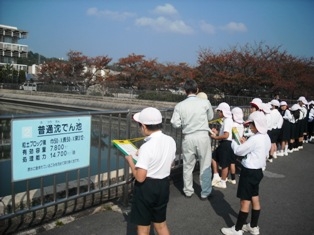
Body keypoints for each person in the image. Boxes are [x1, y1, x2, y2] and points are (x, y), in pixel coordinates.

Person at [124, 107, 176, 235]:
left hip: (147, 188)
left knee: (143, 227)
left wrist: (130, 161)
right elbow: (169, 165)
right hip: (163, 185)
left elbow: (140, 177)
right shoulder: (170, 140)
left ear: (143, 126)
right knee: (161, 225)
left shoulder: (147, 146)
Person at [221, 111, 271, 235]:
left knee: (244, 201)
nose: (249, 127)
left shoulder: (254, 139)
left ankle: (237, 229)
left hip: (249, 171)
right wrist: (246, 144)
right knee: (255, 198)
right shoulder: (266, 136)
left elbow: (238, 151)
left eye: (250, 125)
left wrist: (232, 141)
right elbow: (258, 151)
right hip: (258, 171)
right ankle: (253, 226)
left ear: (256, 125)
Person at [171, 79, 214, 200]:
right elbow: (210, 117)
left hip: (188, 137)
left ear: (185, 91)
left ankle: (188, 190)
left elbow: (175, 123)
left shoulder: (180, 105)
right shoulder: (205, 103)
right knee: (205, 164)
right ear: (197, 90)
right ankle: (205, 192)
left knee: (188, 165)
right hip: (202, 136)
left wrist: (184, 124)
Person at [211, 102, 233, 189]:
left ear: (222, 112)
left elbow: (226, 135)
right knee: (214, 157)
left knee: (224, 164)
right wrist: (217, 133)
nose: (218, 113)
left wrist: (216, 137)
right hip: (225, 143)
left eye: (219, 111)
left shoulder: (227, 120)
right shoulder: (227, 119)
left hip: (226, 143)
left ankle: (223, 181)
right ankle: (216, 176)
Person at [228, 107, 245, 184]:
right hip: (240, 144)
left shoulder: (233, 124)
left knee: (232, 162)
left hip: (233, 144)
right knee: (240, 160)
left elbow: (233, 135)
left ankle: (233, 179)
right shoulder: (242, 123)